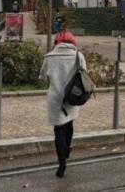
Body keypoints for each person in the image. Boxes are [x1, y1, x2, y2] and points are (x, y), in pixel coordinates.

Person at [39, 22, 86, 179]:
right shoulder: (78, 55)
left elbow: (42, 77)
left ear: (57, 42)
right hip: (73, 96)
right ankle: (67, 151)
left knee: (58, 130)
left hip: (55, 98)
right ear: (72, 42)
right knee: (70, 123)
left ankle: (61, 164)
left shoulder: (49, 56)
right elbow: (85, 74)